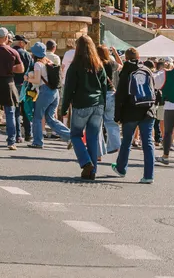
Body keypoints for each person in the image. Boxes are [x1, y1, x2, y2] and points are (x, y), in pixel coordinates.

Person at [59, 35, 110, 180]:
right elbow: (104, 86)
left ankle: (86, 162)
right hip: (98, 104)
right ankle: (92, 171)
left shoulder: (75, 66)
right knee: (93, 137)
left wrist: (63, 108)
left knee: (75, 135)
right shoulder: (98, 65)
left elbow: (68, 88)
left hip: (81, 104)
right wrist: (103, 104)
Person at [112, 48, 157, 183]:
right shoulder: (147, 70)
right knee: (148, 142)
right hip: (148, 110)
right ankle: (149, 175)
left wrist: (117, 115)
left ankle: (121, 168)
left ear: (125, 58)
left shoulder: (126, 71)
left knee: (126, 141)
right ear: (139, 57)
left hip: (130, 112)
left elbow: (120, 95)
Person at [27, 40, 70, 147]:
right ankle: (71, 136)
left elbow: (37, 80)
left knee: (37, 117)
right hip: (55, 92)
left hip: (45, 92)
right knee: (50, 118)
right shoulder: (48, 62)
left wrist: (27, 79)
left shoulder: (38, 64)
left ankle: (37, 142)